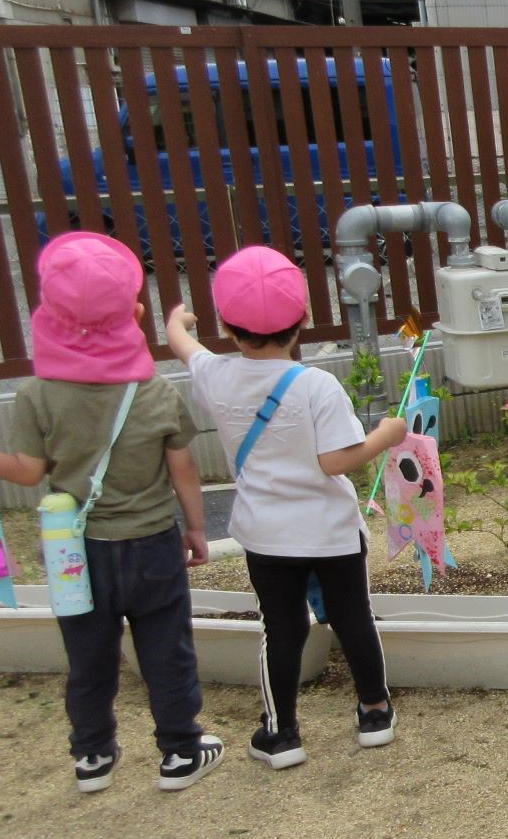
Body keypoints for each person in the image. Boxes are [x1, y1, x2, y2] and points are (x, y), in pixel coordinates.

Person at [0, 232, 222, 793]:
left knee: (87, 654)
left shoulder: (37, 394)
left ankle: (92, 754)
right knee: (166, 649)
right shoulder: (154, 391)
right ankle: (180, 752)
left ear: (47, 319)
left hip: (75, 550)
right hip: (153, 542)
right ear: (136, 315)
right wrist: (195, 527)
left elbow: (26, 471)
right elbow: (184, 469)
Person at [165, 246, 404, 770]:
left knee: (281, 627)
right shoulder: (316, 384)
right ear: (303, 320)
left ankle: (281, 733)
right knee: (352, 617)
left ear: (227, 327)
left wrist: (177, 321)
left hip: (267, 535)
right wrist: (385, 436)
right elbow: (336, 461)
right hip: (331, 531)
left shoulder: (216, 376)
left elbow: (184, 347)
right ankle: (375, 711)